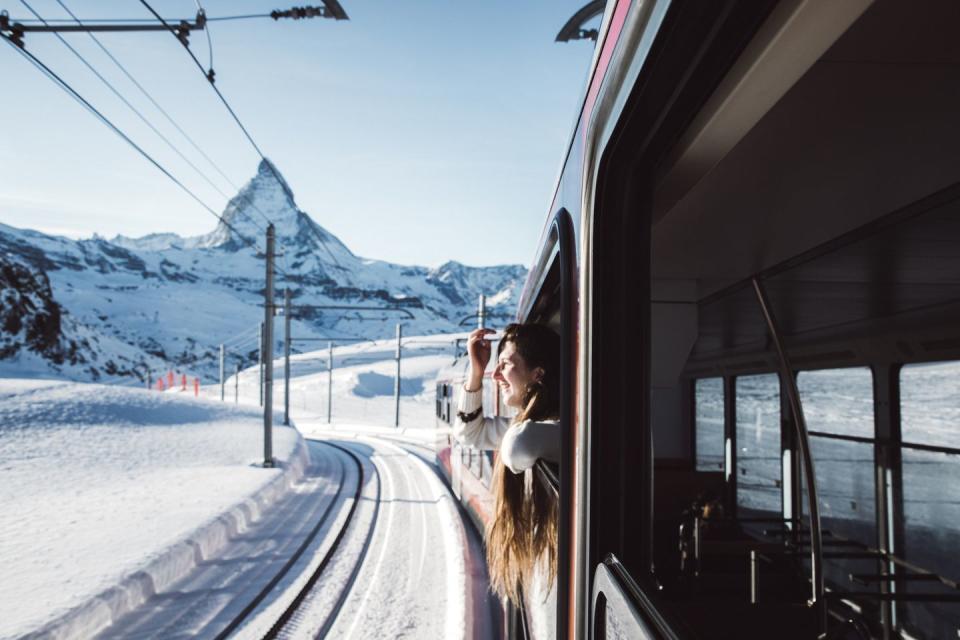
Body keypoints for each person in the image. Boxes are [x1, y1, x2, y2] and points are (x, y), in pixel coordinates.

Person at [453, 322, 560, 606]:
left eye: (505, 364)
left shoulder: (554, 429)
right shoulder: (525, 425)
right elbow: (469, 434)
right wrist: (476, 371)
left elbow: (518, 444)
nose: (496, 374)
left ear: (538, 374)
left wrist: (515, 430)